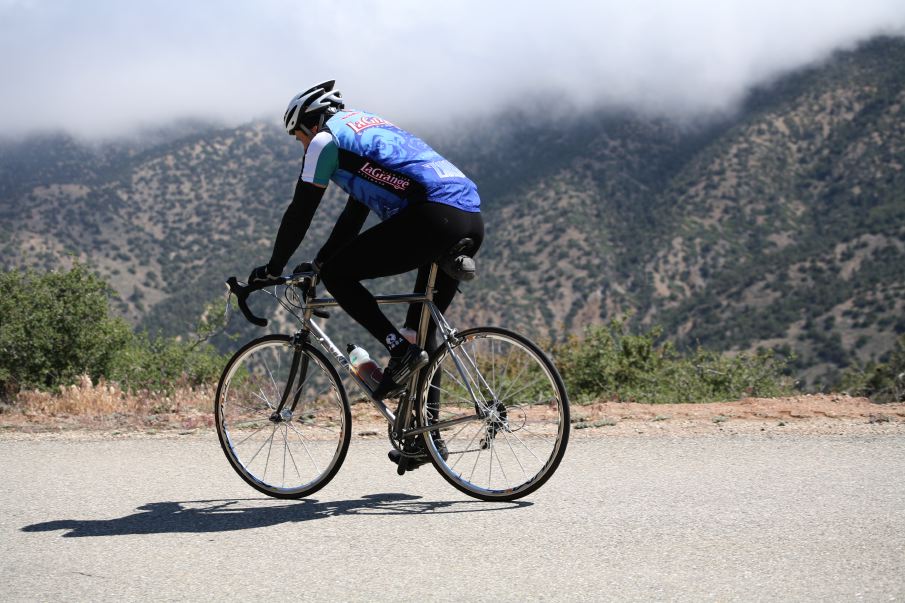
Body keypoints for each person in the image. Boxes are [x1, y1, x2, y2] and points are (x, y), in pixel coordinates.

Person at [249, 80, 484, 413]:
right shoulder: (367, 127)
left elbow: (300, 212)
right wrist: (317, 264)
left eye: (298, 136)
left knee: (339, 276)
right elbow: (353, 215)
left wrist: (274, 268)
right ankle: (426, 438)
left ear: (310, 123)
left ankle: (397, 351)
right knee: (422, 332)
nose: (302, 145)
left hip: (431, 216)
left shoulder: (324, 141)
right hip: (469, 215)